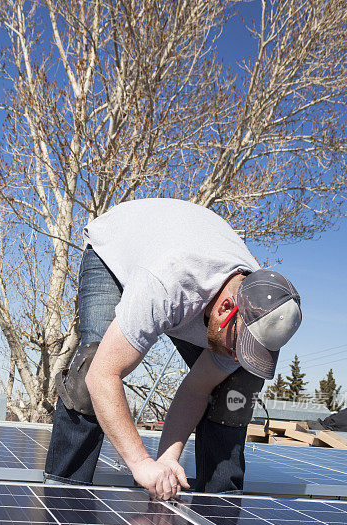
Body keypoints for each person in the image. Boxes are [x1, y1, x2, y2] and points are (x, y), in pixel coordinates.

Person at [44, 198, 302, 500]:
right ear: (226, 309)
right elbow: (103, 376)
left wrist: (168, 457)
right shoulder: (169, 282)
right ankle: (63, 494)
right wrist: (140, 463)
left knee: (240, 383)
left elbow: (197, 389)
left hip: (185, 260)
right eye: (238, 345)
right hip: (116, 248)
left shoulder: (261, 310)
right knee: (92, 366)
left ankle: (219, 506)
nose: (236, 355)